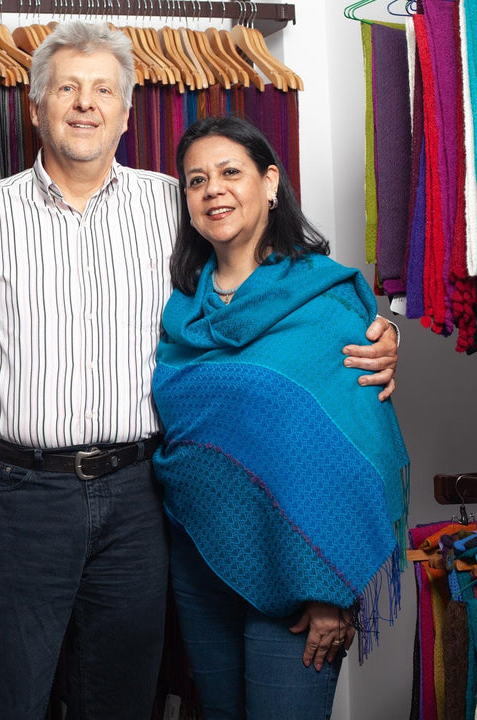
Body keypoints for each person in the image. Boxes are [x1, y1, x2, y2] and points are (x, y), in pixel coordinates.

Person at [0, 22, 399, 720]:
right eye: (67, 88)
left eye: (103, 89)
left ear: (127, 113)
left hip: (139, 499)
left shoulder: (176, 206)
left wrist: (367, 334)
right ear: (35, 105)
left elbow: (262, 296)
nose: (84, 103)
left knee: (123, 699)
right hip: (17, 497)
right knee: (2, 698)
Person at [151, 115, 409, 720]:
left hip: (302, 575)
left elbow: (356, 445)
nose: (213, 189)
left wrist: (330, 588)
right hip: (199, 562)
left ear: (270, 184)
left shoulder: (323, 296)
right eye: (196, 180)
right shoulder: (179, 307)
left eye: (230, 172)